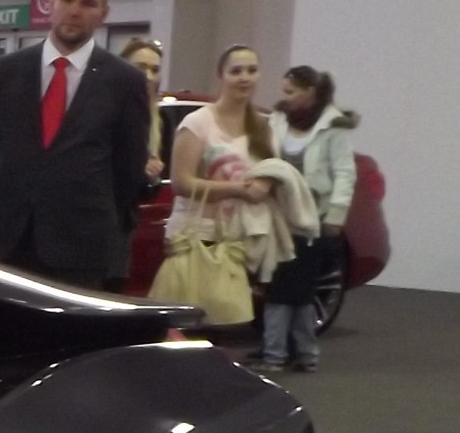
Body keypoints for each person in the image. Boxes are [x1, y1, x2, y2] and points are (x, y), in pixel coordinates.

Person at [0, 0, 152, 288]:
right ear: (52, 4)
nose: (75, 11)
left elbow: (128, 172)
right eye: (67, 0)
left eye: (88, 3)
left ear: (104, 13)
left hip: (81, 249)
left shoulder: (125, 82)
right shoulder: (3, 72)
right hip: (3, 241)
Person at [149, 45, 273, 331]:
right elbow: (182, 182)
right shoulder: (197, 123)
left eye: (252, 71)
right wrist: (237, 189)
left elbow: (271, 172)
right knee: (186, 328)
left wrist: (265, 186)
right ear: (221, 76)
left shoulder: (262, 127)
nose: (244, 78)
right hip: (195, 239)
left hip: (236, 243)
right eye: (236, 71)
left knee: (225, 328)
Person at [267, 65, 359, 372]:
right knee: (287, 289)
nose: (285, 97)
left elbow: (345, 174)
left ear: (310, 92)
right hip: (279, 216)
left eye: (291, 91)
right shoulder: (278, 119)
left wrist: (336, 215)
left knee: (295, 291)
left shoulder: (334, 126)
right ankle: (294, 352)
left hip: (314, 219)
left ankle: (283, 353)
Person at [118, 35, 168, 184]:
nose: (149, 76)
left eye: (155, 70)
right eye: (140, 67)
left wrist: (152, 175)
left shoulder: (158, 120)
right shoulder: (105, 113)